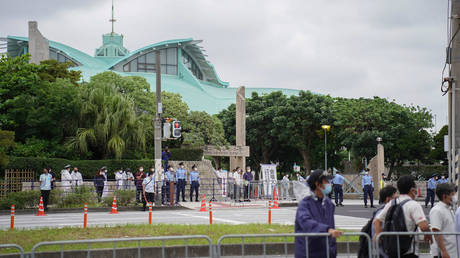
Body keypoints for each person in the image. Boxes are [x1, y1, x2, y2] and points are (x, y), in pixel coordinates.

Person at [373, 175, 432, 258]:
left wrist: (379, 236)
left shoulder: (392, 203)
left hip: (392, 250)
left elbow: (377, 221)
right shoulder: (414, 205)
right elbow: (423, 226)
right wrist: (428, 234)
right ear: (412, 190)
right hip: (408, 250)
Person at [294, 169, 343, 258]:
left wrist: (332, 250)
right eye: (326, 181)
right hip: (309, 252)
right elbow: (306, 223)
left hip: (327, 252)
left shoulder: (329, 204)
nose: (329, 183)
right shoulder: (305, 204)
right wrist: (326, 230)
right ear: (317, 184)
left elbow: (331, 226)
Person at [367, 185, 397, 258]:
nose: (396, 201)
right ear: (388, 199)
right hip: (383, 252)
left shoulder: (381, 210)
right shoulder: (383, 212)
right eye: (395, 199)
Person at [430, 183, 457, 258]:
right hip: (444, 253)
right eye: (452, 194)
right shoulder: (437, 210)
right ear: (444, 196)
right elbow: (436, 231)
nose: (454, 197)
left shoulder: (449, 209)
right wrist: (444, 251)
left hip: (452, 252)